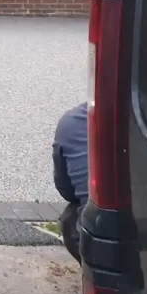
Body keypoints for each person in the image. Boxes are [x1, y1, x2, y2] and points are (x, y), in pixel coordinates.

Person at [53, 103, 88, 263]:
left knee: (70, 217)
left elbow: (68, 191)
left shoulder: (75, 121)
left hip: (111, 242)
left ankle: (94, 272)